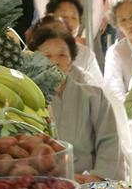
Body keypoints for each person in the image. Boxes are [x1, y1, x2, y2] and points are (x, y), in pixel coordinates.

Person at [28, 22, 122, 180]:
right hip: (40, 183)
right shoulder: (27, 100)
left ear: (71, 61)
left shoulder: (94, 96)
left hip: (87, 182)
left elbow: (110, 140)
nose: (55, 62)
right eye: (47, 56)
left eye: (62, 55)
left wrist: (96, 177)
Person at [41, 0, 102, 84]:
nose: (70, 23)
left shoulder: (85, 54)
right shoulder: (36, 47)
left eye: (74, 18)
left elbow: (97, 88)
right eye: (64, 17)